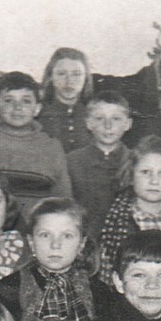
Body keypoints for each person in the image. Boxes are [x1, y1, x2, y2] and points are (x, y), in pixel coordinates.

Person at [0, 70, 72, 213]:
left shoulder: (52, 147)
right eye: (9, 100)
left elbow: (63, 199)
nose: (18, 107)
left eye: (26, 101)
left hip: (39, 224)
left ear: (37, 109)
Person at [95, 134, 161, 285]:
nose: (154, 181)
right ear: (131, 176)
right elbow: (104, 276)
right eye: (145, 172)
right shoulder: (109, 221)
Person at [66, 89, 134, 234]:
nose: (108, 125)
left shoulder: (136, 161)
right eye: (99, 118)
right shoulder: (72, 161)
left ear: (128, 124)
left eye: (116, 119)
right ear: (88, 123)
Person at [37, 47, 95, 152]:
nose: (69, 81)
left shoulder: (95, 114)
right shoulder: (37, 114)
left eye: (76, 74)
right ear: (50, 76)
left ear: (86, 78)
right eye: (61, 74)